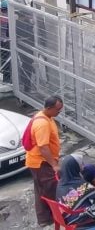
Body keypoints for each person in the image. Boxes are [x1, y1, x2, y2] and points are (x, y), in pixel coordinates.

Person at [28, 95, 64, 227]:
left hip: (41, 161)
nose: (59, 113)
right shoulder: (42, 123)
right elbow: (43, 147)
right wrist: (54, 165)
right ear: (49, 108)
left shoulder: (47, 117)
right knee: (50, 190)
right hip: (41, 163)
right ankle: (53, 218)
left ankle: (44, 219)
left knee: (42, 190)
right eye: (57, 110)